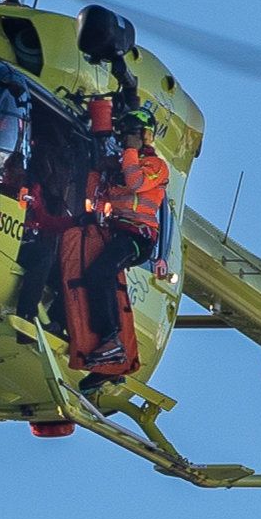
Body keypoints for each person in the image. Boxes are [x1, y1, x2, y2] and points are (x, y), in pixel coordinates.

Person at [57, 92, 169, 383]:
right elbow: (94, 194)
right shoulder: (121, 163)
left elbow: (135, 183)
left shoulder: (156, 166)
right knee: (80, 270)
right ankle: (87, 335)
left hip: (138, 239)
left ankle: (112, 340)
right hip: (114, 232)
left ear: (146, 135)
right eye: (126, 134)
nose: (129, 139)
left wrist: (129, 153)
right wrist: (100, 167)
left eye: (135, 133)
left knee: (101, 272)